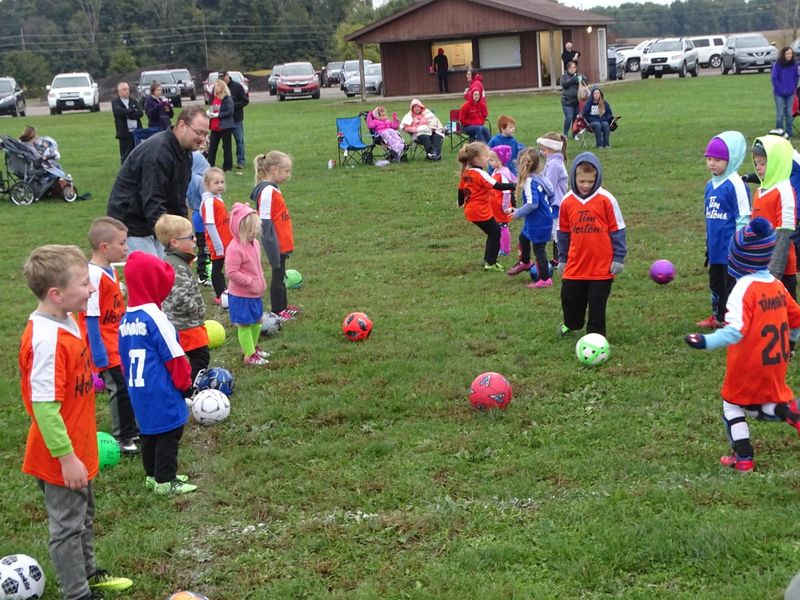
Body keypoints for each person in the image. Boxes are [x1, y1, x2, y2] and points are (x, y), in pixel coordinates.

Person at [20, 245, 133, 600]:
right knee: (67, 527)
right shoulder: (46, 339)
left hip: (79, 446)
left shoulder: (67, 319)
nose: (91, 289)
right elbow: (44, 408)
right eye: (84, 284)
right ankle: (78, 593)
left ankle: (88, 573)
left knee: (84, 515)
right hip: (59, 456)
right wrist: (67, 458)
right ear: (56, 294)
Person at [685, 217, 800, 472]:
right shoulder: (776, 285)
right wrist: (790, 345)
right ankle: (787, 410)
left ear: (737, 259)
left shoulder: (742, 290)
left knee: (733, 404)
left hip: (749, 364)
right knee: (760, 401)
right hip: (776, 362)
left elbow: (734, 332)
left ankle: (744, 457)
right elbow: (797, 319)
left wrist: (705, 341)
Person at [118, 251, 196, 495]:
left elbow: (122, 357)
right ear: (154, 283)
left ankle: (151, 475)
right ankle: (166, 479)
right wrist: (185, 385)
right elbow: (174, 356)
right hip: (160, 387)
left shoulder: (126, 318)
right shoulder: (156, 317)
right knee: (170, 430)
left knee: (149, 431)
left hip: (137, 387)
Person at [107, 105, 210, 257]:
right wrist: (175, 236)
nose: (202, 139)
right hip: (132, 223)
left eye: (206, 134)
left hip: (155, 221)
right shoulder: (159, 152)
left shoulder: (185, 153)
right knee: (152, 274)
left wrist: (184, 231)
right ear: (182, 125)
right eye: (199, 132)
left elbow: (178, 198)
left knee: (167, 270)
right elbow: (152, 199)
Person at [84, 217, 139, 455]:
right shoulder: (93, 275)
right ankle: (123, 438)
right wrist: (98, 353)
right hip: (107, 347)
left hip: (119, 342)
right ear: (104, 247)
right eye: (122, 243)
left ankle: (132, 429)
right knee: (120, 389)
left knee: (127, 387)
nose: (126, 248)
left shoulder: (110, 270)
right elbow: (91, 316)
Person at [557, 151, 626, 337]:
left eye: (590, 181)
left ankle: (596, 336)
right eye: (582, 182)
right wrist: (562, 259)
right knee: (570, 298)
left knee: (597, 302)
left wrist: (619, 257)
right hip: (575, 264)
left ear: (597, 178)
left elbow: (617, 229)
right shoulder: (567, 201)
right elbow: (563, 233)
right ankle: (571, 323)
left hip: (602, 266)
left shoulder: (606, 199)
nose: (586, 185)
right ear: (574, 178)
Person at [697, 132, 751, 329]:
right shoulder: (710, 185)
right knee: (716, 284)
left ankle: (732, 319)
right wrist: (708, 242)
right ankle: (718, 316)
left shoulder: (736, 185)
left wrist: (739, 245)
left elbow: (743, 217)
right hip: (715, 248)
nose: (712, 163)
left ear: (732, 159)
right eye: (709, 159)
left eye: (718, 160)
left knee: (732, 285)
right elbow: (708, 216)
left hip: (731, 249)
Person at [155, 214, 210, 383]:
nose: (194, 240)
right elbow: (179, 297)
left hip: (183, 323)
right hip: (185, 324)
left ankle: (184, 384)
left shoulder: (176, 261)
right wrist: (197, 309)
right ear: (175, 243)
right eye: (190, 237)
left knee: (192, 358)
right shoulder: (177, 265)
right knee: (200, 357)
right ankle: (190, 388)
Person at [251, 151, 302, 321]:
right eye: (286, 171)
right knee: (278, 276)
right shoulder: (266, 191)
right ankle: (278, 311)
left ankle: (284, 306)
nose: (289, 175)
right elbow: (264, 221)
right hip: (276, 242)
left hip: (282, 240)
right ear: (274, 170)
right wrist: (273, 247)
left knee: (281, 275)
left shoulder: (273, 189)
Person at [750, 135, 797, 300]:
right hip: (760, 265)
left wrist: (775, 271)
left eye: (763, 163)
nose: (759, 168)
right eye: (756, 163)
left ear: (778, 163)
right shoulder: (759, 191)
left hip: (781, 270)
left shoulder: (784, 191)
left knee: (787, 312)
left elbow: (785, 233)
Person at [456, 142, 516, 271]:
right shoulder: (480, 173)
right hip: (480, 211)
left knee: (493, 232)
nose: (488, 159)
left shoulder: (467, 172)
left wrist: (460, 202)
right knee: (495, 232)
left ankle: (487, 259)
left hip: (471, 210)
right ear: (477, 158)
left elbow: (461, 190)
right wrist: (514, 185)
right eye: (486, 156)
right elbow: (497, 185)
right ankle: (491, 262)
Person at [225, 203, 270, 365]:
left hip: (255, 294)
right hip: (241, 295)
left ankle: (253, 348)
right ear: (239, 230)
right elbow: (231, 272)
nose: (255, 233)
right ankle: (249, 355)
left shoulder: (255, 244)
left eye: (257, 229)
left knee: (257, 321)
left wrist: (260, 282)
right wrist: (250, 282)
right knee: (244, 324)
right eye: (251, 231)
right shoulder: (234, 249)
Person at [506, 147, 555, 288]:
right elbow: (551, 192)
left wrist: (518, 212)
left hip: (538, 222)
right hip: (539, 219)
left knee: (539, 250)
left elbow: (532, 204)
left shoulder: (530, 182)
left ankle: (545, 279)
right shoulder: (539, 177)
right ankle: (525, 262)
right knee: (523, 237)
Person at [200, 167, 232, 303]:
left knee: (225, 266)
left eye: (222, 182)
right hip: (218, 242)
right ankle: (220, 295)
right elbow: (210, 224)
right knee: (217, 267)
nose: (220, 185)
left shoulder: (217, 198)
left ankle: (225, 290)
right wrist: (218, 245)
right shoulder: (208, 201)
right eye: (216, 183)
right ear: (207, 185)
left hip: (226, 241)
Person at [538, 132, 569, 263]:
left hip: (555, 201)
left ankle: (559, 258)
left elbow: (549, 184)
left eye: (544, 150)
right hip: (555, 200)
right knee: (555, 229)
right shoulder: (554, 161)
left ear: (552, 149)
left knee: (557, 229)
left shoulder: (554, 164)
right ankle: (558, 257)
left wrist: (537, 183)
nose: (542, 152)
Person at [187, 151, 211, 286]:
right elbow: (207, 200)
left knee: (202, 245)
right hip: (204, 217)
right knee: (206, 247)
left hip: (196, 215)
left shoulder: (190, 178)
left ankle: (205, 273)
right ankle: (204, 275)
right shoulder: (200, 181)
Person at [488, 146, 517, 258]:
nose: (489, 162)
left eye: (492, 160)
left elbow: (506, 192)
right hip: (494, 204)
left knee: (503, 226)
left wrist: (505, 207)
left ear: (500, 160)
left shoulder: (503, 174)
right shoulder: (496, 171)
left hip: (501, 206)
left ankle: (505, 248)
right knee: (497, 227)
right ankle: (500, 246)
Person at [221, 71, 249, 172]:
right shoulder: (220, 88)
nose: (222, 79)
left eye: (224, 77)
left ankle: (240, 161)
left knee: (239, 140)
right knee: (226, 143)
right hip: (224, 120)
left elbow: (245, 101)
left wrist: (233, 106)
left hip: (236, 118)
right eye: (220, 77)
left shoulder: (237, 87)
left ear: (228, 76)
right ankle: (228, 162)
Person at [111, 82, 143, 164]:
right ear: (119, 91)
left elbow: (140, 113)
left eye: (128, 89)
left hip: (136, 132)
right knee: (125, 154)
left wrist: (128, 114)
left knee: (138, 153)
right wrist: (132, 110)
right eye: (124, 89)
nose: (127, 91)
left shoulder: (134, 101)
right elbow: (119, 112)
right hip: (124, 133)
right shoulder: (115, 102)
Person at [207, 79, 235, 173]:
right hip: (215, 126)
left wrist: (219, 115)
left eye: (218, 86)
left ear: (222, 87)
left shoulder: (227, 98)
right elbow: (212, 107)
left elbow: (230, 111)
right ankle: (209, 165)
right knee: (212, 146)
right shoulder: (214, 98)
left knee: (226, 146)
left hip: (225, 126)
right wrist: (210, 113)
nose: (215, 88)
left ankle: (227, 167)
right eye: (215, 86)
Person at [771, 47, 799, 138]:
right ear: (783, 55)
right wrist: (780, 88)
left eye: (790, 53)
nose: (789, 55)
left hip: (790, 93)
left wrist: (793, 87)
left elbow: (796, 77)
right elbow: (774, 78)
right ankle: (779, 132)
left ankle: (789, 132)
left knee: (789, 113)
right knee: (780, 113)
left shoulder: (794, 65)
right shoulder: (777, 65)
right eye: (787, 53)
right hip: (779, 93)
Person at [560, 62, 581, 138]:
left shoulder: (578, 75)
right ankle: (565, 133)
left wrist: (581, 80)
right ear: (568, 68)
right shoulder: (564, 77)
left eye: (574, 67)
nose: (573, 69)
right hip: (567, 101)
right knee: (569, 117)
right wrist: (573, 80)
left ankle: (575, 134)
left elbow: (585, 82)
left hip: (576, 101)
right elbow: (564, 85)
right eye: (571, 68)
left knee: (576, 118)